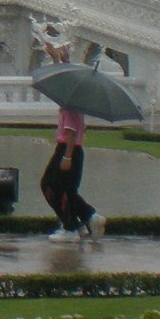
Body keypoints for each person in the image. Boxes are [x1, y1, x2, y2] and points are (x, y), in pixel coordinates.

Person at [40, 103, 103, 242]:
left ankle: (70, 228)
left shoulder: (70, 107)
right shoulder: (76, 108)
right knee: (67, 189)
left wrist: (67, 156)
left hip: (67, 150)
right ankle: (88, 218)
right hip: (74, 150)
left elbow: (70, 132)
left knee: (50, 186)